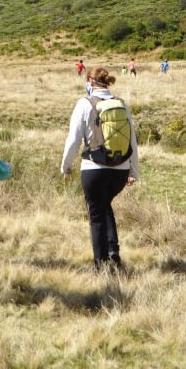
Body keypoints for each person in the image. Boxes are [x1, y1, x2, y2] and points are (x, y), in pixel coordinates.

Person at [61, 66, 139, 270]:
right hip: (120, 170)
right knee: (105, 205)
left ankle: (101, 265)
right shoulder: (122, 104)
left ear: (90, 82)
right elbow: (132, 140)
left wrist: (66, 165)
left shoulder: (84, 103)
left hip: (93, 168)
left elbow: (74, 139)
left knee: (96, 215)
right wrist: (133, 170)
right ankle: (114, 253)